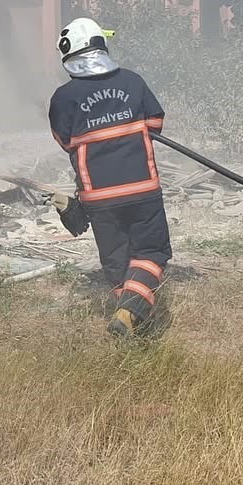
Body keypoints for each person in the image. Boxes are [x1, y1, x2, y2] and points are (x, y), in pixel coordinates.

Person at [46, 17, 171, 338]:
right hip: (142, 188)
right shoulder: (132, 81)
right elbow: (155, 123)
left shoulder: (64, 96)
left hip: (98, 197)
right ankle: (131, 311)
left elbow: (65, 142)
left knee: (117, 263)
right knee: (151, 253)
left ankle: (131, 326)